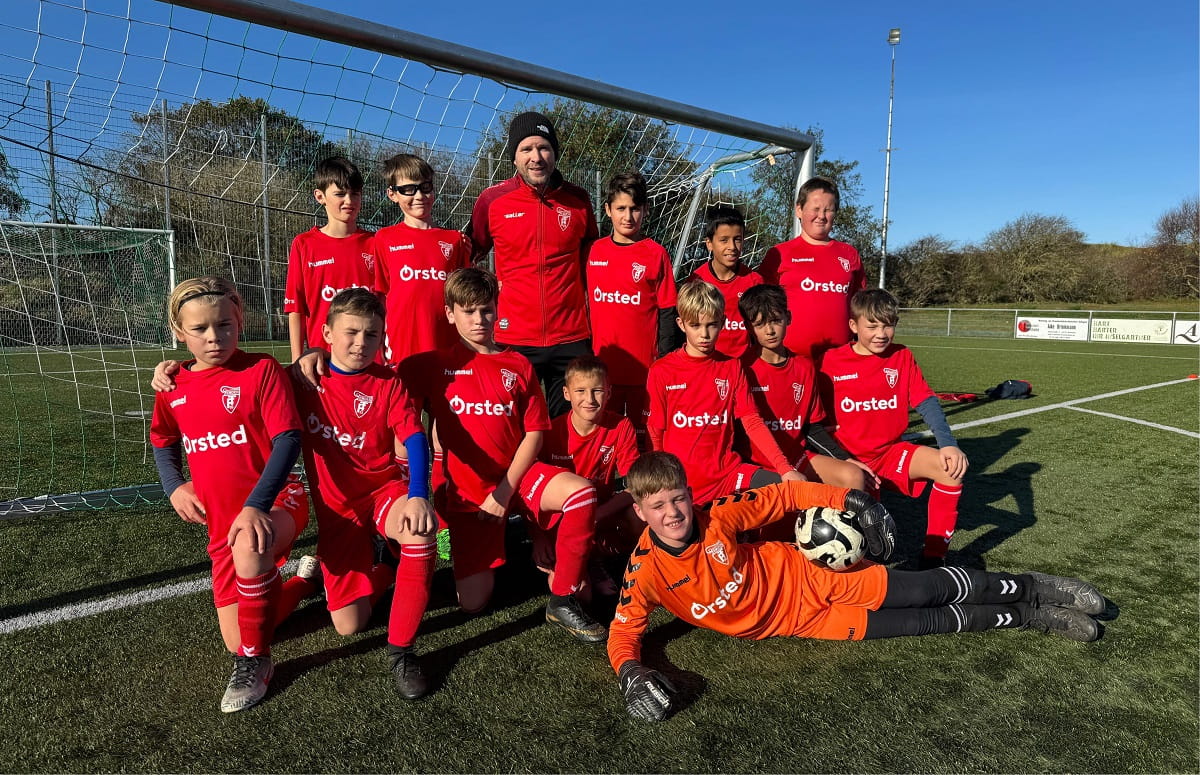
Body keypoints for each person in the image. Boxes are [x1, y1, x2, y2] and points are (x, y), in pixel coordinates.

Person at [608, 451, 1107, 722]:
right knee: (923, 622)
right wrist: (631, 671)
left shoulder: (718, 516)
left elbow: (789, 494)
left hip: (817, 576)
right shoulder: (645, 570)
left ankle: (1035, 586)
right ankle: (1030, 615)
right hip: (809, 621)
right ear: (640, 511)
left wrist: (851, 497)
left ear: (690, 495)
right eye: (658, 506)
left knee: (926, 588)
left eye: (677, 499)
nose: (672, 513)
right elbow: (623, 630)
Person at [398, 267, 607, 643]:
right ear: (450, 314)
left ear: (497, 309)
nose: (479, 320)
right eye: (469, 311)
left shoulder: (517, 364)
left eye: (486, 310)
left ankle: (561, 598)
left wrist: (503, 492)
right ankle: (515, 534)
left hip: (518, 478)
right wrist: (315, 357)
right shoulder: (431, 365)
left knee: (581, 494)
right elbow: (377, 382)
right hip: (468, 493)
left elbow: (535, 433)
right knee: (473, 604)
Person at [149, 276, 312, 713]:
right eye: (199, 328)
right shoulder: (173, 385)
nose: (213, 336)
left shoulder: (262, 370)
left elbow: (289, 439)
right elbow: (162, 440)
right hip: (220, 523)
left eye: (224, 324)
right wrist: (173, 485)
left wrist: (258, 505)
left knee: (249, 549)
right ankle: (303, 582)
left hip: (278, 503)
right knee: (235, 636)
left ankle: (256, 665)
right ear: (179, 333)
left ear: (239, 319)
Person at [289, 288, 438, 699]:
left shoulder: (389, 383)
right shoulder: (304, 380)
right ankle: (382, 565)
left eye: (371, 335)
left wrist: (418, 493)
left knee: (421, 533)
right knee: (349, 625)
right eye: (350, 332)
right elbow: (248, 382)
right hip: (337, 512)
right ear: (327, 334)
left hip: (382, 493)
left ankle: (402, 651)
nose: (360, 343)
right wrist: (174, 370)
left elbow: (414, 436)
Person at [818, 288, 968, 569]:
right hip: (850, 461)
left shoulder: (901, 357)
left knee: (950, 468)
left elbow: (925, 400)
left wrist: (948, 443)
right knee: (866, 549)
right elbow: (814, 420)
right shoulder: (830, 362)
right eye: (872, 325)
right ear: (853, 326)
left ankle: (933, 558)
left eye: (888, 325)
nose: (881, 333)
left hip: (890, 453)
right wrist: (840, 458)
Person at [468, 111, 599, 417]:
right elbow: (467, 254)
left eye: (544, 148)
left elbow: (593, 257)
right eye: (526, 149)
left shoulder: (579, 200)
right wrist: (484, 293)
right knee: (510, 431)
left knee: (570, 434)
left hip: (570, 336)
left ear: (554, 153)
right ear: (514, 157)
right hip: (513, 336)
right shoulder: (493, 200)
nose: (536, 157)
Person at [645, 279, 804, 507]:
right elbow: (654, 432)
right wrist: (660, 483)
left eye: (712, 325)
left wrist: (785, 468)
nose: (705, 334)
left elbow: (752, 421)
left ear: (723, 322)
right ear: (681, 324)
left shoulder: (731, 366)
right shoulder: (662, 370)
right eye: (695, 325)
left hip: (728, 476)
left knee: (788, 488)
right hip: (680, 483)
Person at [737, 284, 875, 494]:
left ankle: (847, 527)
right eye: (760, 324)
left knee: (853, 475)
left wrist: (844, 459)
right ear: (749, 327)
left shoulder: (804, 367)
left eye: (775, 320)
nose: (770, 330)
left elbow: (811, 428)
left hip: (797, 457)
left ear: (788, 318)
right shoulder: (741, 368)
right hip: (755, 464)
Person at [586, 171, 679, 436]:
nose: (628, 217)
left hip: (645, 373)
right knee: (604, 438)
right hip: (603, 371)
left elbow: (667, 311)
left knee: (646, 439)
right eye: (621, 208)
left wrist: (664, 361)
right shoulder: (593, 252)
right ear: (607, 210)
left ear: (645, 210)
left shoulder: (656, 253)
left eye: (635, 209)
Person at [537, 356, 641, 589]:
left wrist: (596, 515)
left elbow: (635, 487)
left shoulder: (620, 426)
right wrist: (538, 538)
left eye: (597, 391)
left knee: (641, 515)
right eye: (581, 391)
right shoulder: (552, 432)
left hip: (601, 514)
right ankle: (588, 559)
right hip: (562, 521)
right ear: (566, 393)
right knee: (576, 591)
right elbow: (532, 493)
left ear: (609, 392)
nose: (590, 399)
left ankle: (639, 564)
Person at [373, 153, 471, 368]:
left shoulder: (454, 240)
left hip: (448, 347)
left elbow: (465, 297)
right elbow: (381, 297)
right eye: (408, 189)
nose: (419, 196)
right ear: (392, 194)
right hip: (402, 348)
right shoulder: (384, 238)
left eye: (425, 187)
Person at [758, 176, 866, 362]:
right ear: (799, 209)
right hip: (790, 364)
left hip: (841, 365)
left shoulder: (849, 254)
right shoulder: (779, 254)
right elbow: (760, 308)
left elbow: (862, 309)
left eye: (829, 210)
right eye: (815, 209)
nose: (822, 216)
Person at [283, 157, 376, 362]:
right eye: (340, 194)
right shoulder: (304, 244)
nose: (349, 201)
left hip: (369, 361)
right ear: (319, 196)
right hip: (322, 361)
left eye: (355, 194)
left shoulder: (375, 243)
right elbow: (296, 309)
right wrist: (297, 360)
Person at [687, 207, 762, 359]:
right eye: (724, 240)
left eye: (737, 239)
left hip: (745, 367)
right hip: (708, 367)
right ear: (709, 243)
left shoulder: (754, 281)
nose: (732, 247)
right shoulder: (696, 281)